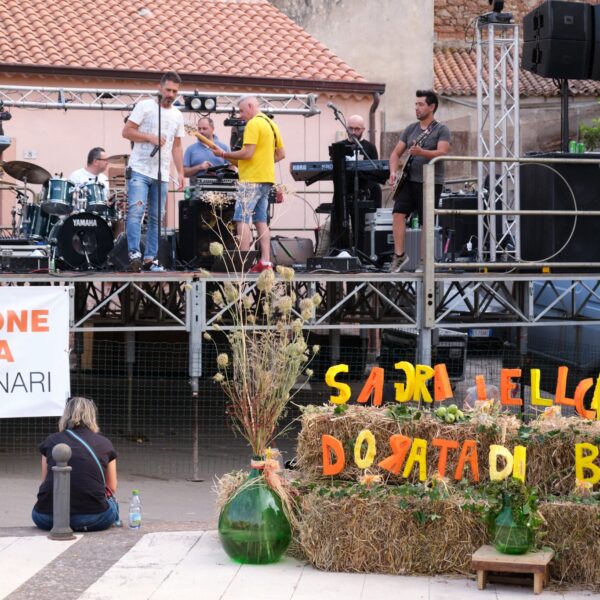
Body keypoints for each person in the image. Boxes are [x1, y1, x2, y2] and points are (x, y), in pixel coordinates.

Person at [213, 95, 285, 273]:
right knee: (261, 220)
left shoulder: (253, 124)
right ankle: (265, 261)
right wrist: (262, 163)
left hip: (251, 179)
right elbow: (281, 154)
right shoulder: (271, 124)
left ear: (251, 106)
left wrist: (224, 155)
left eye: (242, 111)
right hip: (266, 178)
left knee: (242, 219)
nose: (240, 115)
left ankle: (243, 261)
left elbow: (247, 153)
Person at [122, 71, 185, 272]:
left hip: (162, 172)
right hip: (140, 169)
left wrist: (181, 172)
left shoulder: (177, 115)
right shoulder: (145, 106)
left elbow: (177, 146)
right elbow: (127, 131)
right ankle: (134, 254)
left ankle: (151, 258)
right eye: (168, 90)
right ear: (159, 88)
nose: (171, 94)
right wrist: (149, 137)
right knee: (136, 211)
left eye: (175, 91)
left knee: (157, 217)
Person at [32, 397, 119, 532]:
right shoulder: (105, 444)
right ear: (92, 417)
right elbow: (111, 487)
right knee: (112, 504)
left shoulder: (51, 441)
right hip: (95, 518)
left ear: (65, 415)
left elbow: (45, 482)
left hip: (47, 518)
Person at [388, 90, 450, 272]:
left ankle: (425, 262)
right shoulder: (410, 129)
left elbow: (443, 152)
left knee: (426, 222)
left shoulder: (441, 129)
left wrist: (421, 152)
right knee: (398, 214)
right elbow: (395, 154)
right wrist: (393, 172)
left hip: (431, 182)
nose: (416, 107)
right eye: (416, 104)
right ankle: (399, 256)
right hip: (409, 180)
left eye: (421, 104)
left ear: (432, 107)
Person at [183, 116, 231, 180]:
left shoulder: (224, 148)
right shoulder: (190, 149)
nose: (201, 131)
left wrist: (218, 174)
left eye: (204, 128)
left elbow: (231, 170)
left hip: (220, 188)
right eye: (199, 129)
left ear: (212, 129)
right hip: (197, 188)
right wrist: (199, 167)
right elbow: (184, 172)